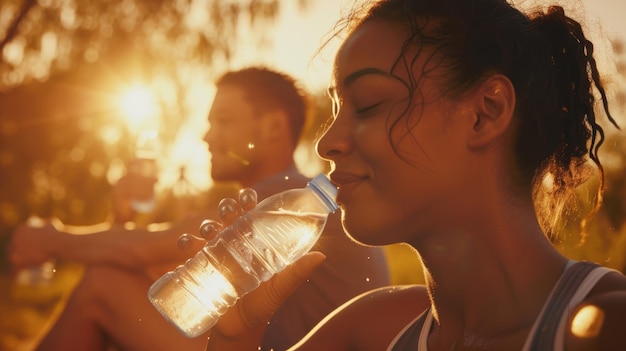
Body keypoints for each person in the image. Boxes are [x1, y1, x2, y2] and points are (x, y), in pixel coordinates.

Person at [201, 1, 626, 350]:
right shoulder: (369, 329)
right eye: (336, 109)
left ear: (485, 113)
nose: (326, 142)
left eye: (367, 104)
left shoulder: (605, 326)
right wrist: (235, 333)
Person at [6, 67, 391, 351]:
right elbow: (164, 276)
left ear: (273, 128)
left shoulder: (292, 198)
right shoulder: (278, 199)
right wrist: (122, 219)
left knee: (101, 288)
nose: (207, 136)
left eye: (222, 121)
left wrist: (48, 239)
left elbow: (141, 251)